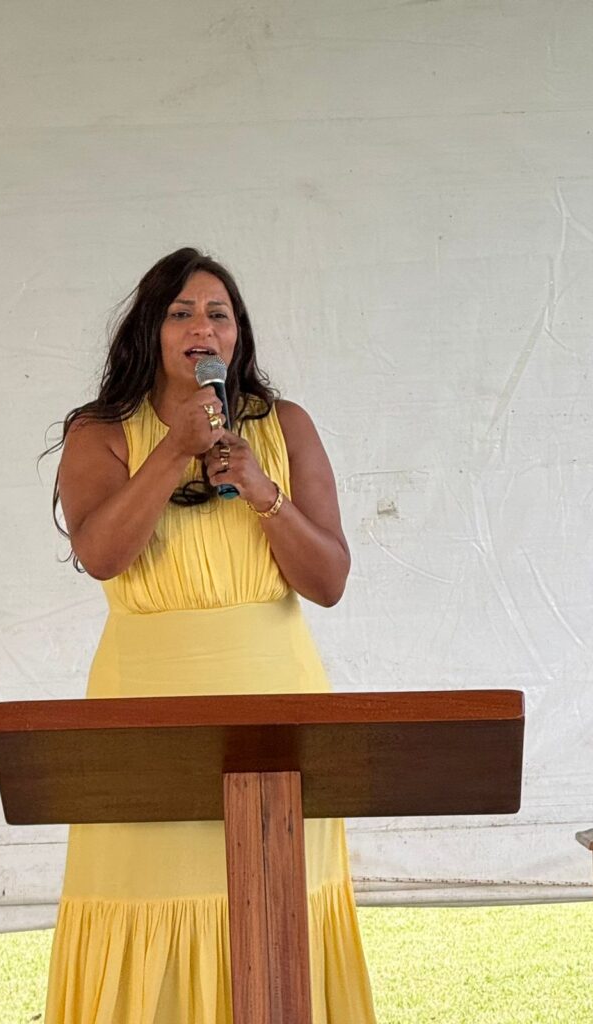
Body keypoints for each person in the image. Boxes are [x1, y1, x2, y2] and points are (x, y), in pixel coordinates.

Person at [43, 248, 377, 1024]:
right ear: (149, 331)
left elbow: (328, 580)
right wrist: (173, 450)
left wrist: (262, 491)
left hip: (277, 707)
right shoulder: (101, 433)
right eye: (182, 313)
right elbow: (102, 554)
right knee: (146, 894)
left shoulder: (284, 427)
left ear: (238, 334)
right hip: (143, 710)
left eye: (218, 314)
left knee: (273, 908)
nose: (202, 327)